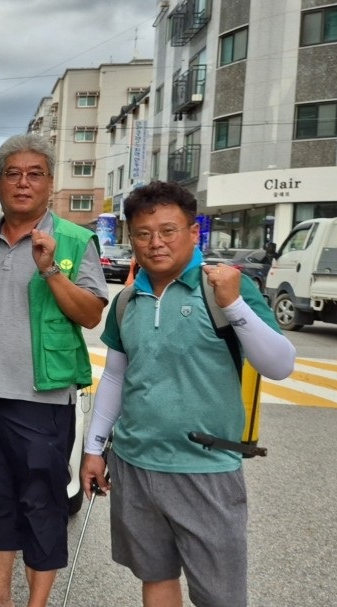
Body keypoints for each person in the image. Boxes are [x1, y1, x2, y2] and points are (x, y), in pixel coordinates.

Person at [79, 182, 295, 607]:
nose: (155, 243)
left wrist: (234, 304)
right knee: (155, 576)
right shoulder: (127, 301)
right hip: (135, 464)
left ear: (193, 233)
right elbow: (117, 378)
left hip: (205, 468)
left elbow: (280, 365)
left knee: (220, 597)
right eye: (143, 234)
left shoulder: (224, 289)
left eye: (168, 230)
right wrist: (93, 449)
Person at [0, 133, 108, 607]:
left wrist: (50, 270)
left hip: (43, 400)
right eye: (12, 174)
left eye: (34, 174)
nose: (23, 183)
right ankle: (0, 597)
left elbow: (91, 314)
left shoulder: (75, 241)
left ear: (50, 183)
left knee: (42, 503)